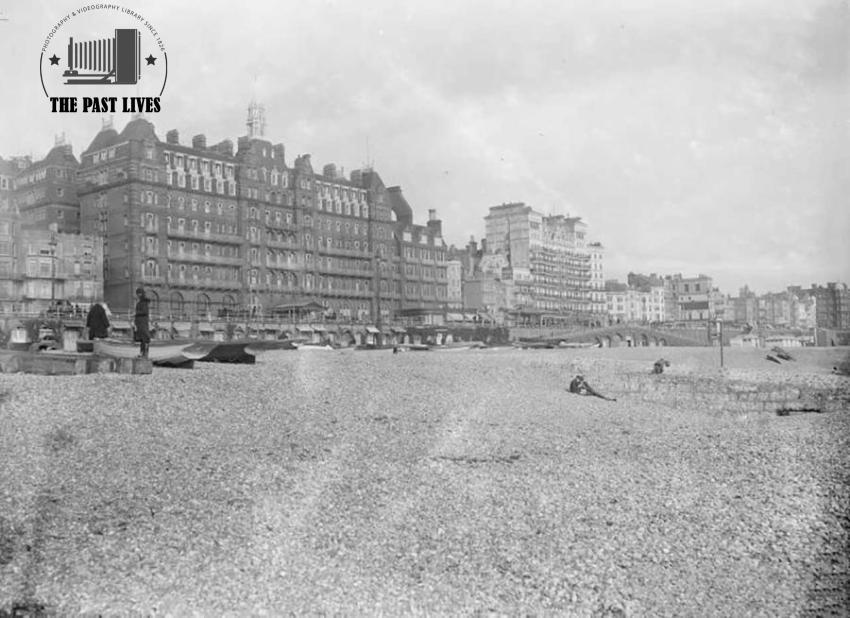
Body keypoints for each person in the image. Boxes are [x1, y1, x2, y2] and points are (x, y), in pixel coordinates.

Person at [134, 287, 151, 358]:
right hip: (140, 322)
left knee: (144, 337)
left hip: (142, 322)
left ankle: (144, 353)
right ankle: (142, 353)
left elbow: (145, 312)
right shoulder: (141, 302)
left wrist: (136, 313)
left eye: (138, 294)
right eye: (137, 294)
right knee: (142, 338)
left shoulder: (143, 302)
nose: (137, 295)